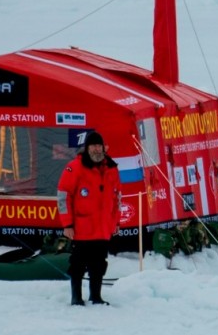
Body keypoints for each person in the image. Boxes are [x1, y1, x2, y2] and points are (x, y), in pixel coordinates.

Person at [57, 131, 121, 306]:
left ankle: (96, 296)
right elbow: (63, 196)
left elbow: (117, 197)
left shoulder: (111, 168)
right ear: (86, 148)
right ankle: (76, 297)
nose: (96, 149)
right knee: (78, 264)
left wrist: (116, 222)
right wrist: (67, 224)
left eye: (99, 146)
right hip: (82, 228)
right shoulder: (74, 167)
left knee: (99, 264)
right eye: (92, 146)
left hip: (102, 229)